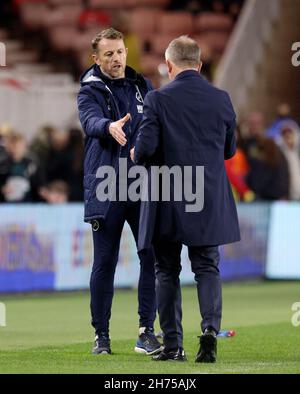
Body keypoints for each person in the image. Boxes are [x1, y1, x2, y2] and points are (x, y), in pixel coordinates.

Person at [132, 36, 240, 362]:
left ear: (168, 65)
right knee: (207, 267)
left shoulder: (157, 99)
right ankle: (209, 331)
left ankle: (173, 344)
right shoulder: (221, 99)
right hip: (207, 196)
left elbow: (147, 148)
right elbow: (229, 150)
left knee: (166, 269)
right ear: (200, 64)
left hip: (169, 195)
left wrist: (137, 152)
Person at [77, 28, 162, 356]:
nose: (116, 59)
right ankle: (101, 335)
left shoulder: (143, 86)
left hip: (141, 184)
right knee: (105, 261)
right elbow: (90, 121)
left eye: (120, 52)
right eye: (109, 54)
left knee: (150, 257)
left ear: (127, 52)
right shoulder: (89, 91)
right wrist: (108, 126)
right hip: (106, 185)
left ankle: (146, 331)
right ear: (96, 59)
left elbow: (156, 125)